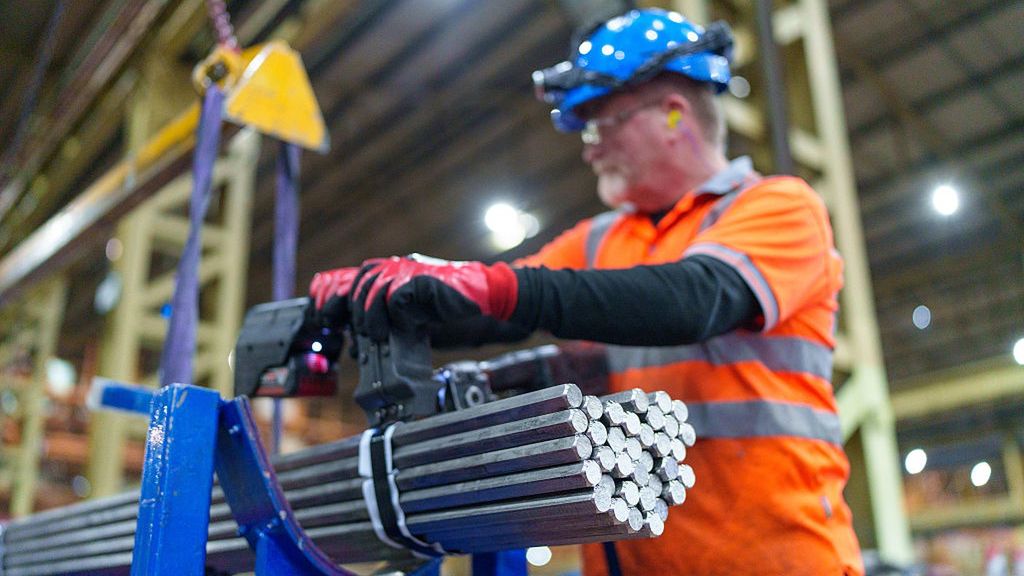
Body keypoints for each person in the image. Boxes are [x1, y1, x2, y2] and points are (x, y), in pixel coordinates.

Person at [310, 8, 863, 576]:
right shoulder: (603, 239)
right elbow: (492, 309)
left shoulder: (778, 207)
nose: (589, 149)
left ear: (673, 116)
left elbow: (692, 299)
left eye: (601, 126)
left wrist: (496, 288)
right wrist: (377, 299)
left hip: (775, 561)